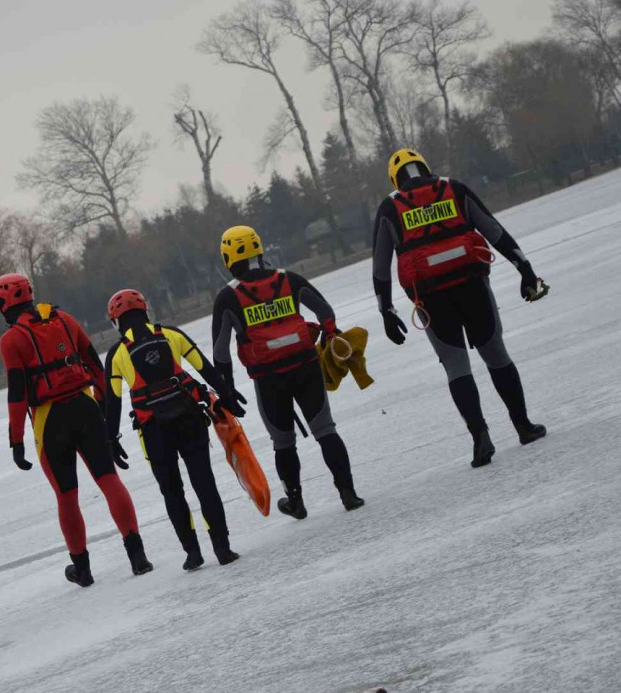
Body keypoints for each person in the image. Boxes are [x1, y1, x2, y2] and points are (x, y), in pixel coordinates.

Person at [373, 149, 548, 467]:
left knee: (456, 368)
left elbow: (381, 267)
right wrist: (525, 269)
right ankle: (523, 426)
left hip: (431, 298)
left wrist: (386, 310)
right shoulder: (454, 188)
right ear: (426, 166)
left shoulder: (390, 207)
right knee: (497, 356)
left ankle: (481, 439)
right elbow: (494, 231)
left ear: (394, 178)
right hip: (473, 287)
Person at [0, 273, 152, 588]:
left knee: (66, 496)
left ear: (1, 302)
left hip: (50, 418)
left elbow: (18, 393)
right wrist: (107, 420)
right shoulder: (63, 318)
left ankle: (83, 569)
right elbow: (96, 368)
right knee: (109, 480)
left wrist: (16, 440)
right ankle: (138, 556)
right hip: (85, 407)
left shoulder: (11, 339)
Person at [211, 226, 365, 519]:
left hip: (269, 379)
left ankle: (296, 501)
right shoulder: (288, 279)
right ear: (259, 249)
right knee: (326, 431)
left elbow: (220, 352)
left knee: (283, 443)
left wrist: (227, 390)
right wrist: (329, 335)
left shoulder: (228, 297)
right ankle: (348, 493)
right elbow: (325, 311)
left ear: (228, 256)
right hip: (306, 367)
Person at [103, 289, 241, 571]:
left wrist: (111, 439)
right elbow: (204, 367)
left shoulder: (117, 354)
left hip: (153, 431)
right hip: (190, 419)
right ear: (145, 311)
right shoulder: (171, 334)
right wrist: (226, 395)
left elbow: (113, 401)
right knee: (204, 482)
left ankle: (192, 553)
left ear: (116, 321)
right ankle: (222, 547)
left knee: (172, 491)